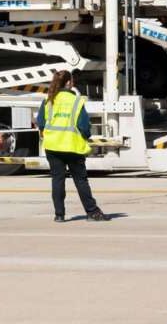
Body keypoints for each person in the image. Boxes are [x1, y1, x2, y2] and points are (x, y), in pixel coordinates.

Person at [36, 70, 108, 223]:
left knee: (57, 180)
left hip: (53, 147)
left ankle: (59, 214)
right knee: (80, 181)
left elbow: (41, 123)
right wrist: (86, 137)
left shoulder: (48, 101)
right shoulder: (76, 101)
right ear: (68, 83)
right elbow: (84, 126)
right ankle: (92, 212)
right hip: (73, 147)